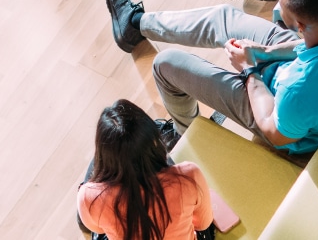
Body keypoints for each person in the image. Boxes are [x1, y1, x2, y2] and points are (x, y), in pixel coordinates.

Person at [105, 0, 318, 158]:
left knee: (166, 64)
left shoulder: (297, 92)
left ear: (300, 25)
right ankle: (135, 24)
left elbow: (273, 132)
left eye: (282, 4)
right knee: (223, 19)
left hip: (276, 110)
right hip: (306, 76)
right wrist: (265, 52)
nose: (278, 4)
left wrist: (249, 70)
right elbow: (309, 46)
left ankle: (184, 135)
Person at [77, 99, 216, 240]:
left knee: (93, 167)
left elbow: (97, 228)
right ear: (155, 140)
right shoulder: (189, 176)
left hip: (96, 203)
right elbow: (203, 223)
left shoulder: (89, 196)